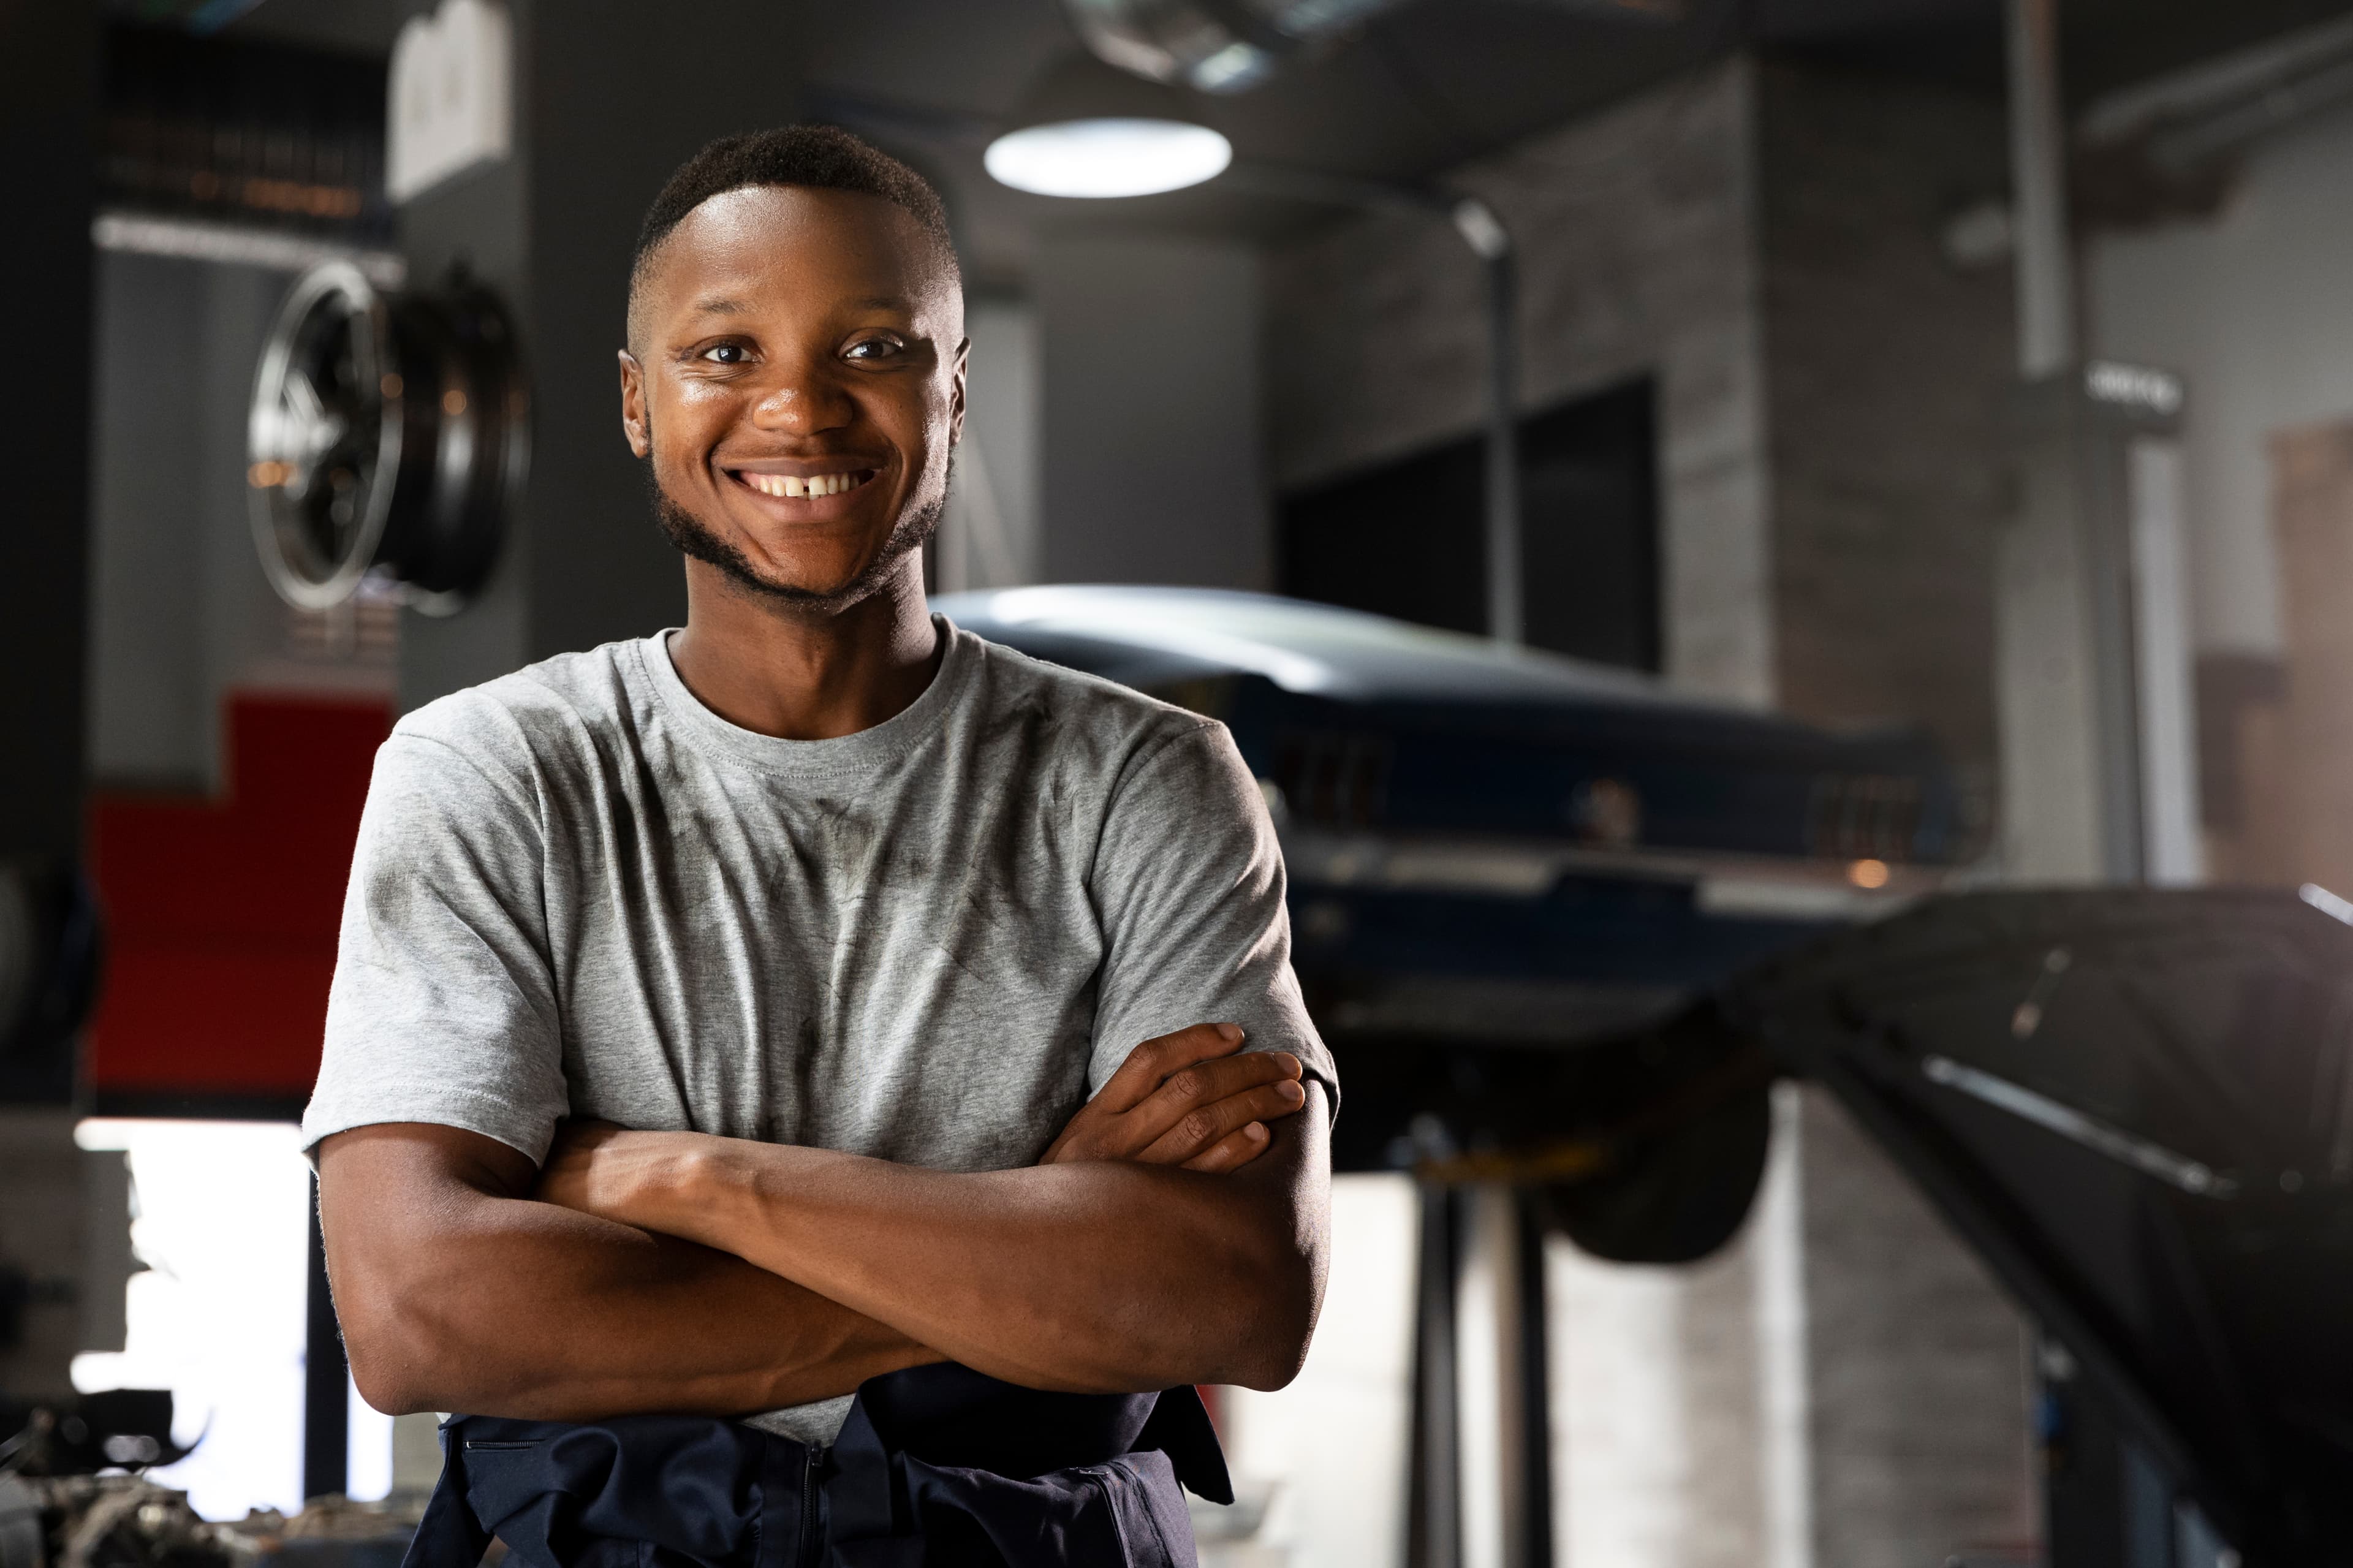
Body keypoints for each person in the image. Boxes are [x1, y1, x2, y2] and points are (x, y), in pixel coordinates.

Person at [303, 125, 1337, 1567]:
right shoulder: (492, 774)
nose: (799, 409)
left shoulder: (1149, 782)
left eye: (873, 349)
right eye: (725, 351)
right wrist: (1026, 1238)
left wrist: (684, 1180)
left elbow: (1237, 1296)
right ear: (634, 402)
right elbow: (420, 1317)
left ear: (954, 391)